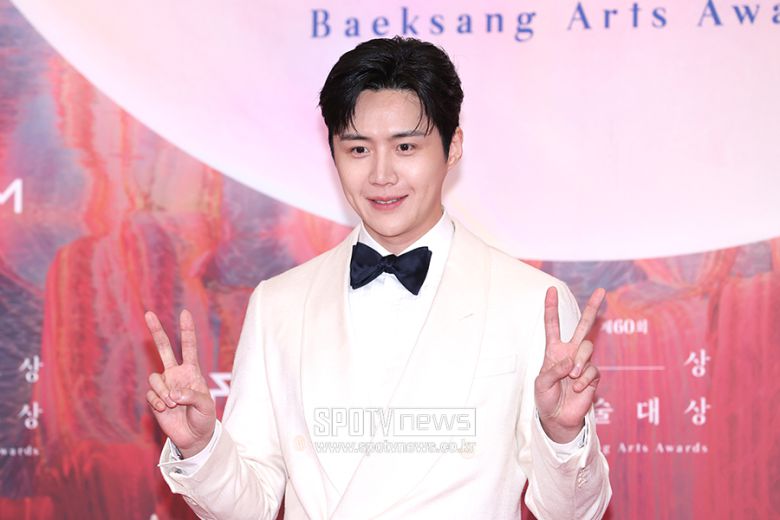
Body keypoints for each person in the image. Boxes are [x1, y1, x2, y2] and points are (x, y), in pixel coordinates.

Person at [145, 36, 611, 519]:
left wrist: (563, 435)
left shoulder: (531, 303)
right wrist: (200, 448)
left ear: (452, 147)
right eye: (358, 149)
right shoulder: (279, 304)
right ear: (333, 153)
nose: (381, 175)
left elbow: (574, 514)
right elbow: (250, 509)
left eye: (406, 146)